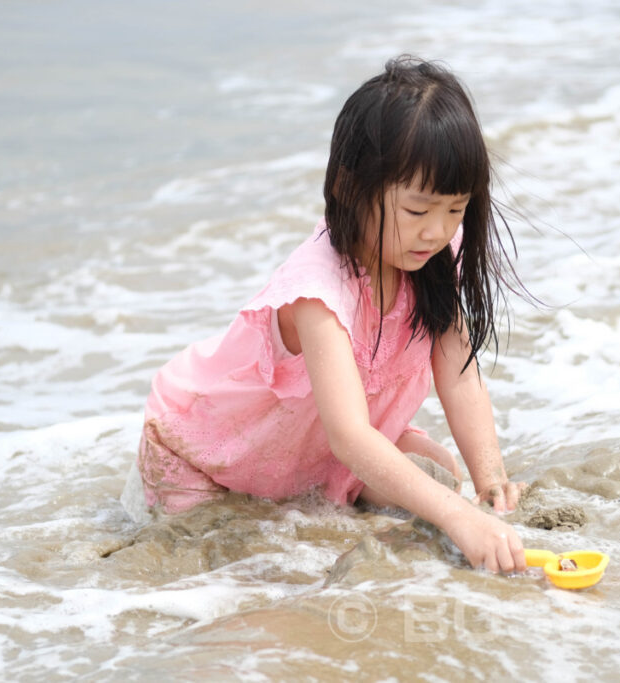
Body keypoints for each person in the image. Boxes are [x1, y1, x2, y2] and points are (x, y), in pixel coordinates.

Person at [124, 56, 529, 574]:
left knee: (439, 472)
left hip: (309, 452)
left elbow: (460, 374)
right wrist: (457, 518)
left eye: (455, 210)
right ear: (348, 186)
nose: (437, 231)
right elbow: (350, 436)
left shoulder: (431, 255)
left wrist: (490, 483)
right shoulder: (319, 293)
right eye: (417, 210)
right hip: (209, 454)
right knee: (239, 562)